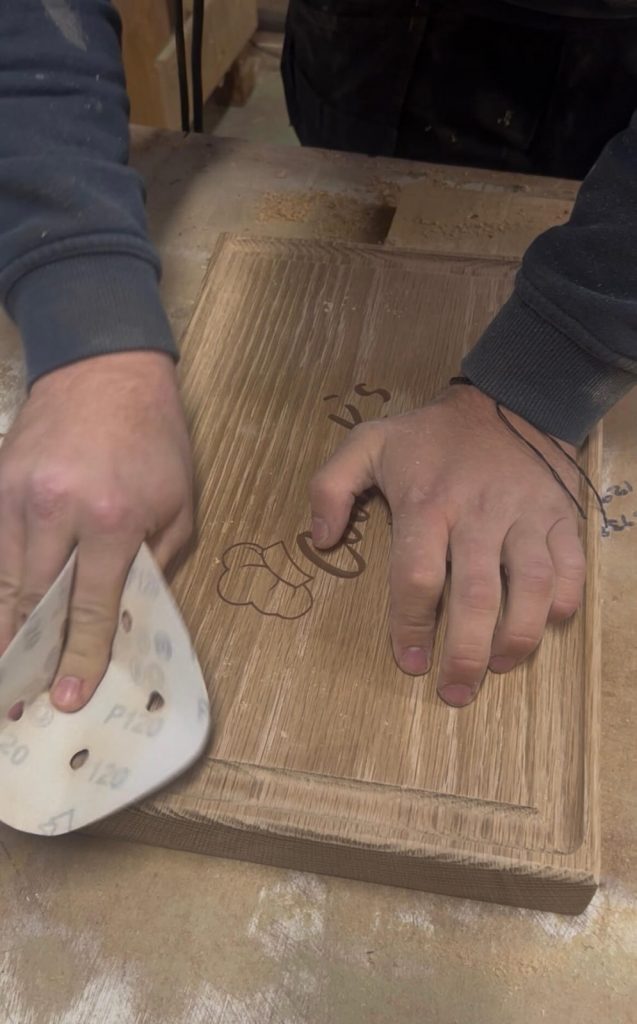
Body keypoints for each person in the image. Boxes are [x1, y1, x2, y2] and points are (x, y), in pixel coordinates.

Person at [0, 2, 634, 717]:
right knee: (348, 151)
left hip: (597, 108)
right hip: (357, 49)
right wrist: (87, 321)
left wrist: (551, 365)